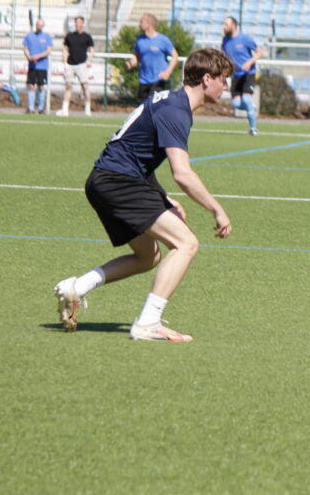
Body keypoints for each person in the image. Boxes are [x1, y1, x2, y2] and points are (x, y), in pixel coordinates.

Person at [52, 48, 234, 342]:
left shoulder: (170, 101)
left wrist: (163, 199)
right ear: (207, 79)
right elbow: (182, 173)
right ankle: (148, 323)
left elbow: (138, 155)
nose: (226, 86)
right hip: (118, 182)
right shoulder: (176, 111)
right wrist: (217, 209)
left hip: (105, 181)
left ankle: (77, 287)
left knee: (148, 256)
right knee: (186, 243)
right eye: (224, 79)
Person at [221, 16, 261, 135]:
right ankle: (250, 107)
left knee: (246, 99)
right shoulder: (225, 41)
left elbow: (259, 52)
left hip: (248, 74)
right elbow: (224, 56)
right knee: (236, 104)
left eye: (226, 24)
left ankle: (253, 129)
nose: (224, 27)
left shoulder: (245, 39)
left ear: (234, 26)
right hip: (236, 76)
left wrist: (249, 63)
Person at [126, 14, 178, 102]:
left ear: (149, 24)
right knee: (143, 107)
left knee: (154, 106)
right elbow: (137, 55)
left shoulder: (163, 40)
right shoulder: (139, 39)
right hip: (143, 80)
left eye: (141, 22)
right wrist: (131, 63)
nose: (139, 24)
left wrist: (168, 72)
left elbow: (175, 56)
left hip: (158, 79)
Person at [58, 16, 95, 116]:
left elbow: (92, 50)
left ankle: (87, 109)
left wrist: (88, 61)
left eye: (79, 22)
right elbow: (65, 49)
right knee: (68, 86)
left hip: (81, 65)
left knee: (85, 86)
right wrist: (65, 62)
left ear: (82, 23)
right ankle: (65, 109)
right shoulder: (69, 36)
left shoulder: (87, 37)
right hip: (70, 65)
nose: (77, 24)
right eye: (76, 22)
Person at [23, 18, 53, 114]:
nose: (39, 26)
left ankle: (40, 108)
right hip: (32, 66)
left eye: (41, 25)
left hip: (42, 66)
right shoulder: (29, 36)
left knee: (41, 86)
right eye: (38, 24)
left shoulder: (47, 36)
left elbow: (48, 50)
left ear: (43, 26)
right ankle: (31, 108)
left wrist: (38, 57)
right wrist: (29, 57)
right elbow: (25, 48)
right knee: (31, 86)